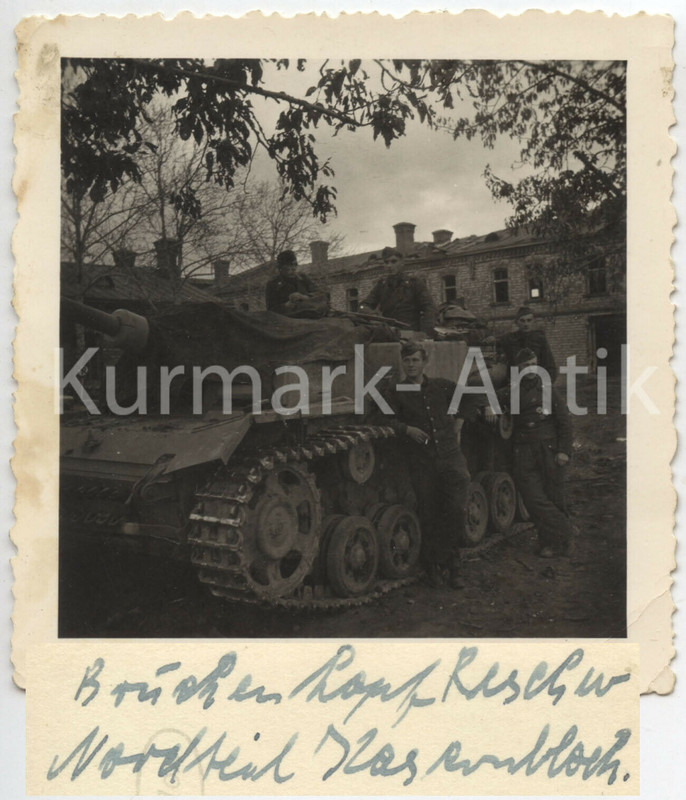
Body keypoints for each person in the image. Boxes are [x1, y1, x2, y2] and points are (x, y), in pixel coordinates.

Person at [384, 340, 470, 588]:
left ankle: (454, 565)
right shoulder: (396, 392)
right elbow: (380, 418)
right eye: (407, 360)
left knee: (454, 510)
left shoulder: (441, 386)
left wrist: (460, 422)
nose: (411, 365)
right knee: (429, 513)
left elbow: (470, 398)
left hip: (450, 456)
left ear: (425, 362)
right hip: (423, 461)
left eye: (415, 360)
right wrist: (406, 429)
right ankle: (433, 567)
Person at [510, 347, 573, 558]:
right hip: (524, 449)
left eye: (532, 364)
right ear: (518, 368)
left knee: (554, 495)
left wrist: (564, 450)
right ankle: (566, 529)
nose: (529, 368)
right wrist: (489, 406)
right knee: (532, 498)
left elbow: (564, 421)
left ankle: (553, 544)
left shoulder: (547, 389)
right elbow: (489, 398)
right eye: (525, 365)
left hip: (548, 448)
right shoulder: (512, 390)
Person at [359, 246, 436, 333]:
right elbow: (363, 305)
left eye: (393, 261)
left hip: (410, 332)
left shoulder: (414, 283)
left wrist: (426, 332)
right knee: (359, 341)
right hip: (389, 332)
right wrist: (371, 314)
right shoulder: (382, 285)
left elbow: (429, 308)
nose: (389, 266)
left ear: (402, 263)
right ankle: (357, 348)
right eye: (386, 262)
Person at [497, 305, 558, 381]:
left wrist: (543, 384)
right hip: (516, 381)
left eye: (529, 320)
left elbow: (550, 366)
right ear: (516, 323)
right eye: (522, 321)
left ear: (533, 322)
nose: (526, 324)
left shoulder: (540, 339)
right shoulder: (510, 339)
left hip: (535, 381)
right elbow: (498, 343)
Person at [265, 250, 324, 317]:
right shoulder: (273, 284)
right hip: (287, 320)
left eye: (294, 267)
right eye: (287, 268)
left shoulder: (303, 278)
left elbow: (320, 293)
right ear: (280, 269)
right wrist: (286, 305)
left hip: (309, 316)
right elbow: (270, 310)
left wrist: (306, 297)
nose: (292, 271)